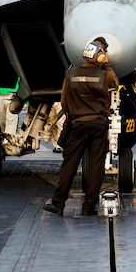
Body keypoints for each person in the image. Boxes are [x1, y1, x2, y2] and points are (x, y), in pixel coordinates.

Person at [44, 37, 119, 216]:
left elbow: (63, 102)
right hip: (98, 125)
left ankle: (58, 204)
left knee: (69, 164)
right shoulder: (104, 75)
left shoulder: (70, 74)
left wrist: (76, 112)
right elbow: (115, 83)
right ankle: (88, 207)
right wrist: (107, 65)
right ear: (101, 56)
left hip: (77, 123)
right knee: (96, 166)